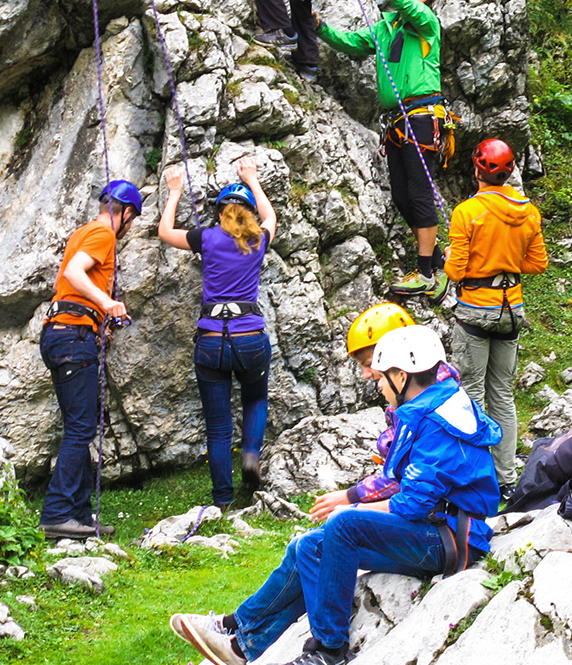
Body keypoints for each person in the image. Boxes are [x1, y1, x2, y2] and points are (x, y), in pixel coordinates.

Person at [170, 324, 501, 665]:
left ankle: (328, 651)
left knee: (343, 527)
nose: (378, 386)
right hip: (441, 530)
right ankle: (240, 643)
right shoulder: (432, 405)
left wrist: (352, 508)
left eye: (379, 379)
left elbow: (413, 505)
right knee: (308, 547)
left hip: (453, 539)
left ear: (401, 377)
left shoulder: (434, 421)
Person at [317, 0, 449, 303]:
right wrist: (320, 28)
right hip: (397, 123)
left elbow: (407, 5)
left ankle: (425, 272)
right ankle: (436, 263)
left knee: (420, 192)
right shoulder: (387, 28)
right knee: (404, 197)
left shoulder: (426, 23)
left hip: (422, 117)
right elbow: (354, 43)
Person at [158, 157, 279, 509]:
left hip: (211, 340)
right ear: (249, 214)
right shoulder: (259, 239)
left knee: (218, 424)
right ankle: (251, 454)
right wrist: (252, 179)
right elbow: (271, 218)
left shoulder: (206, 238)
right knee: (255, 398)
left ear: (219, 212)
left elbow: (165, 232)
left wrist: (175, 191)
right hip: (250, 338)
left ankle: (222, 500)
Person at [39, 180, 143, 540]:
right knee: (82, 428)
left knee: (80, 425)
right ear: (126, 213)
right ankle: (56, 514)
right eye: (131, 220)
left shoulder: (82, 231)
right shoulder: (103, 235)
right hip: (73, 336)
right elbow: (72, 274)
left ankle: (79, 516)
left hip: (62, 333)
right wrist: (106, 302)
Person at [445, 139, 549, 493]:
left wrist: (459, 258)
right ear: (509, 172)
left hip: (476, 308)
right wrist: (505, 258)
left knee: (471, 393)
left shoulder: (467, 213)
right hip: (512, 308)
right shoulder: (529, 212)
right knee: (502, 393)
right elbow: (538, 263)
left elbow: (456, 271)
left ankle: (476, 478)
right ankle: (506, 480)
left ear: (477, 169)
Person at [307, 302, 461, 518]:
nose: (365, 374)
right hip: (438, 514)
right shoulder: (426, 396)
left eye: (370, 363)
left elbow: (405, 479)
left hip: (443, 520)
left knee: (339, 526)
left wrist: (350, 499)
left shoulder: (427, 410)